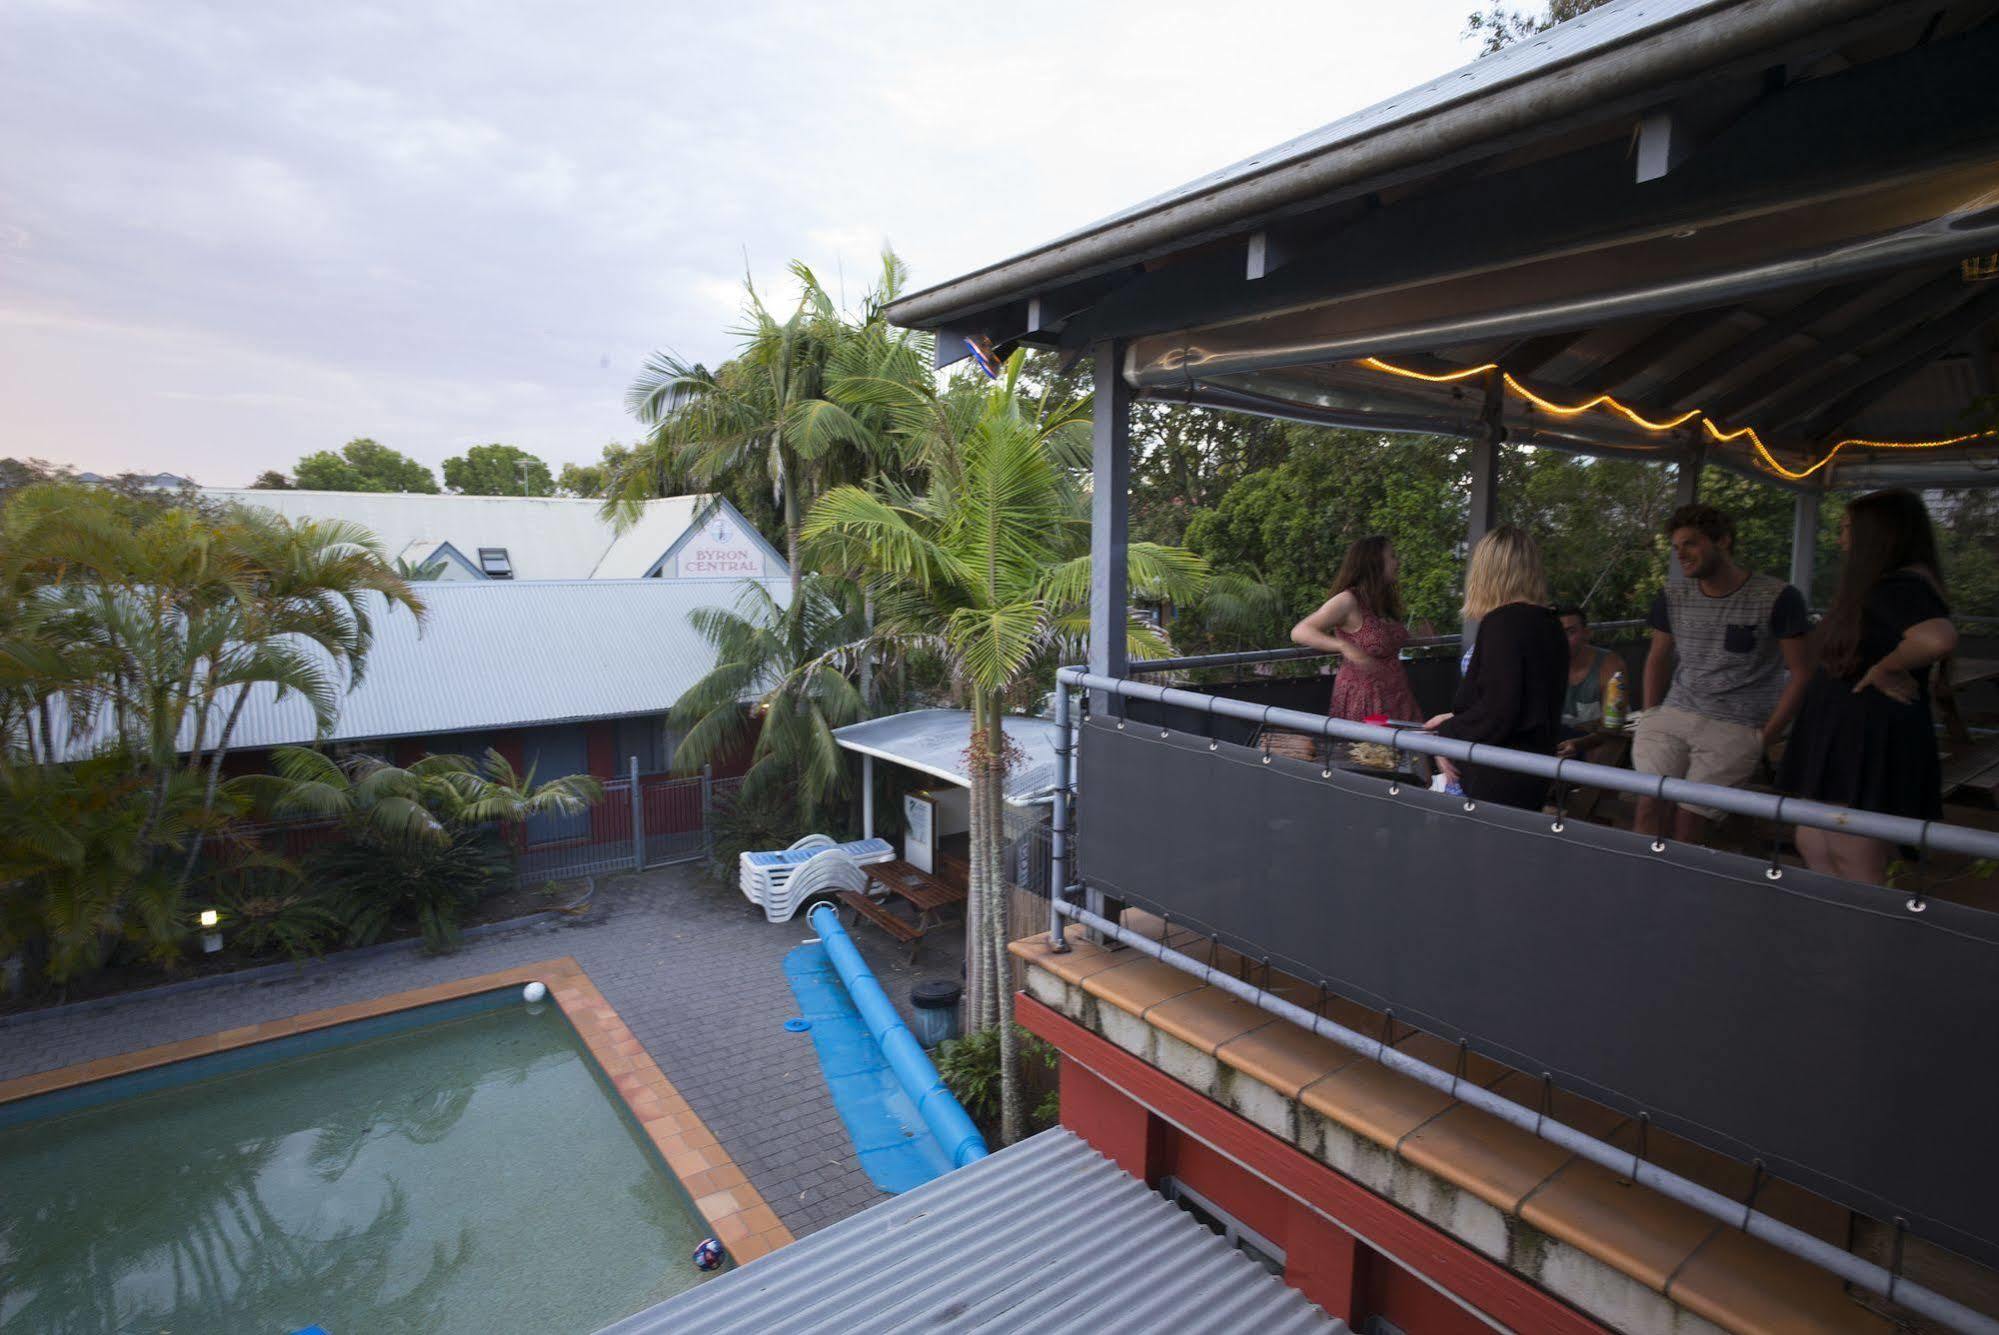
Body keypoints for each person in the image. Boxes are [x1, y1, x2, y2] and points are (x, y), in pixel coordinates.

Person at [1779, 490, 1957, 885]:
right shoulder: (1882, 587)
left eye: (1847, 529)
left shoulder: (1900, 587)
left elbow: (1937, 638)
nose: (1841, 539)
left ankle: (1863, 940)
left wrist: (1884, 668)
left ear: (1879, 536)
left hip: (1866, 737)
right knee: (1813, 841)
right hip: (1842, 734)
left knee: (1853, 852)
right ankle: (1833, 934)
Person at [1633, 503, 1811, 844]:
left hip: (1737, 724)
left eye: (1691, 543)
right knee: (1649, 804)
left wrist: (1765, 738)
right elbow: (1657, 657)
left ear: (1723, 541)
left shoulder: (1777, 597)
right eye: (1676, 547)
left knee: (1690, 820)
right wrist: (1652, 712)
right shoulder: (1673, 595)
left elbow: (1802, 673)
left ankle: (1684, 891)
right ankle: (1640, 885)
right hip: (1674, 713)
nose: (1681, 554)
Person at [1424, 526, 1567, 811]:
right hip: (1533, 774)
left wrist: (1448, 732)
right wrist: (1452, 719)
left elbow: (1498, 712)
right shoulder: (1551, 625)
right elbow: (1521, 700)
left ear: (1487, 571)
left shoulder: (1503, 623)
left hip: (1497, 776)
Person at [1291, 534, 1423, 725]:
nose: (1397, 562)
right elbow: (1300, 631)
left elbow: (1387, 641)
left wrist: (1420, 636)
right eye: (1392, 556)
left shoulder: (1382, 602)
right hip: (1364, 703)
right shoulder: (1348, 601)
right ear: (1374, 563)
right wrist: (1343, 646)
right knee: (1369, 754)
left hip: (1398, 698)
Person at [1556, 604, 1622, 730]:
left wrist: (1579, 744)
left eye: (1570, 632)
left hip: (1599, 741)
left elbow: (1613, 724)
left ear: (1586, 633)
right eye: (1556, 633)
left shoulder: (1610, 664)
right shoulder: (1541, 665)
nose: (1562, 639)